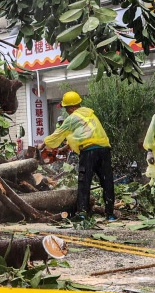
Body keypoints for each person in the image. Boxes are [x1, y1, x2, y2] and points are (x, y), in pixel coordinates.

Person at [42, 91, 116, 221]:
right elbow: (84, 135)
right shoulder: (91, 115)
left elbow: (56, 136)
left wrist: (42, 145)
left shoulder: (72, 118)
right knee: (107, 181)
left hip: (89, 152)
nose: (67, 111)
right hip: (104, 150)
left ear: (71, 107)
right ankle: (110, 214)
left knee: (84, 182)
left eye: (66, 108)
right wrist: (65, 148)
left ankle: (82, 213)